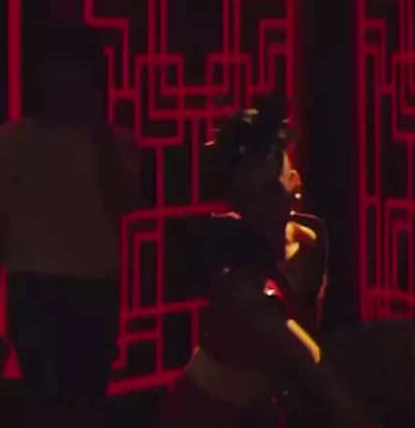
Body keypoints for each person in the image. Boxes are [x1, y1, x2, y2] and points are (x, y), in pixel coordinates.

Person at [158, 103, 374, 428]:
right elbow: (310, 362)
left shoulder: (309, 241)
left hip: (260, 409)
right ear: (235, 202)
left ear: (294, 184)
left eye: (273, 189)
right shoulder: (239, 279)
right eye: (247, 196)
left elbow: (311, 337)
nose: (262, 208)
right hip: (203, 415)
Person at [0, 25, 141, 427]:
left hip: (95, 291)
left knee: (87, 405)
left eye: (77, 73)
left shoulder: (117, 143)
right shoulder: (5, 144)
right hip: (34, 290)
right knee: (45, 406)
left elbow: (123, 205)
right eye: (55, 72)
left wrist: (100, 134)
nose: (65, 84)